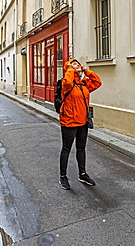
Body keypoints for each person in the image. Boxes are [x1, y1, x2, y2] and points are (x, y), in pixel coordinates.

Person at [59, 59, 102, 190]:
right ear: (68, 69)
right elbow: (66, 81)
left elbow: (97, 82)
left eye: (77, 63)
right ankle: (63, 176)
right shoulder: (66, 84)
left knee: (81, 148)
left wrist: (85, 71)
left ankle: (82, 174)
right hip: (69, 122)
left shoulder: (83, 84)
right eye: (73, 63)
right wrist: (71, 68)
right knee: (66, 149)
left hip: (82, 122)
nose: (76, 64)